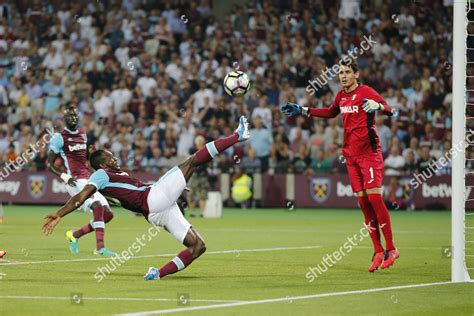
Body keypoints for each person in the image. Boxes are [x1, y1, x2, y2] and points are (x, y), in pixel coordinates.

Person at [43, 116, 250, 280]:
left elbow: (133, 190)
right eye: (109, 157)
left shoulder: (115, 173)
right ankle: (237, 135)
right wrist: (60, 214)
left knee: (198, 247)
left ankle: (157, 274)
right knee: (192, 161)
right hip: (154, 200)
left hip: (156, 211)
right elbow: (81, 196)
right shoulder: (100, 175)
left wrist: (176, 188)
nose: (114, 157)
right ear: (102, 165)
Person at [280, 58, 399, 272]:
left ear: (356, 74)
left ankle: (391, 249)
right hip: (351, 156)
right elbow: (330, 112)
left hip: (369, 154)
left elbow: (392, 111)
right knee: (363, 204)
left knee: (374, 198)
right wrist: (303, 109)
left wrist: (379, 106)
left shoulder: (366, 92)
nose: (343, 75)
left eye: (347, 72)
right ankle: (378, 250)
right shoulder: (341, 96)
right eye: (341, 72)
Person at [48, 107, 116, 256]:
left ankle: (74, 235)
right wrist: (65, 176)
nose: (73, 117)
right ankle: (100, 248)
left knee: (108, 215)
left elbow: (82, 158)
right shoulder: (60, 137)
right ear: (64, 119)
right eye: (69, 115)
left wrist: (90, 154)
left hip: (88, 178)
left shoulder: (83, 133)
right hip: (75, 181)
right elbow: (50, 164)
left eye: (75, 115)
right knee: (97, 207)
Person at [187, 135, 209, 217]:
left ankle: (202, 213)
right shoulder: (192, 150)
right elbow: (190, 160)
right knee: (191, 194)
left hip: (203, 175)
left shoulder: (206, 150)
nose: (200, 143)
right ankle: (192, 212)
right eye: (199, 141)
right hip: (194, 174)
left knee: (203, 194)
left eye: (201, 141)